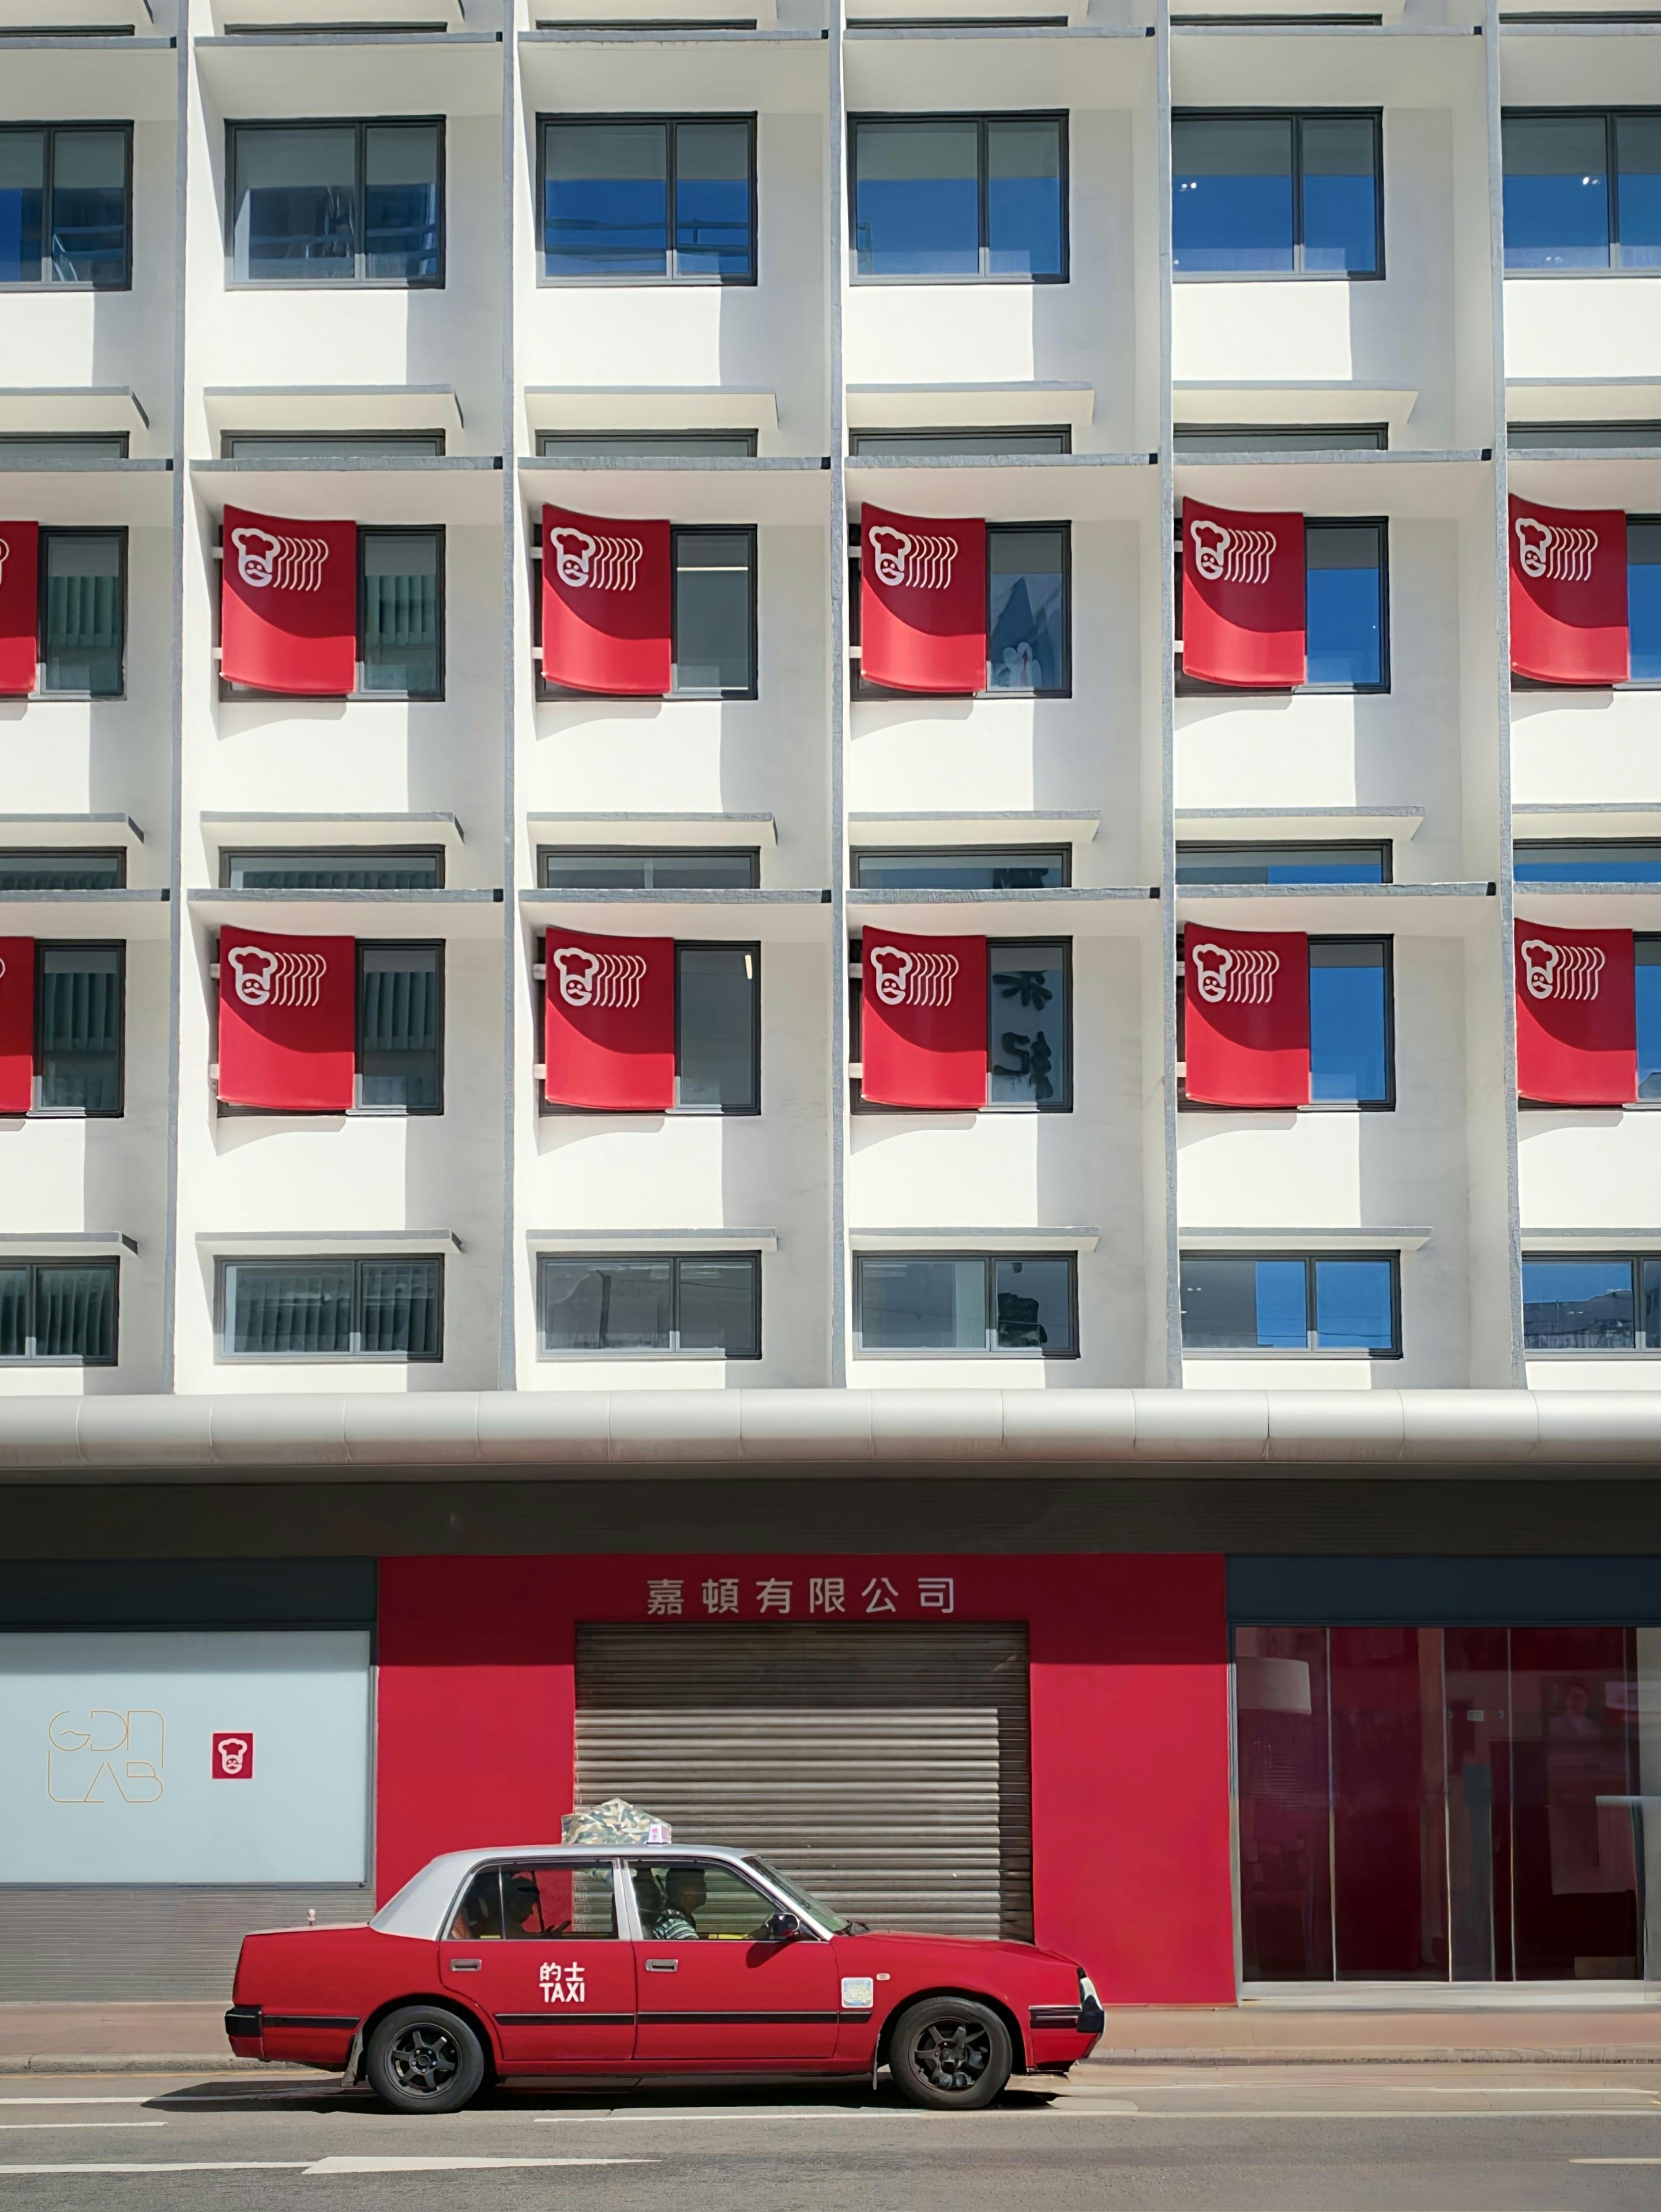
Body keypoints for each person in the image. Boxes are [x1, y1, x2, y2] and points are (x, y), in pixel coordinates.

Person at [648, 1865, 706, 1940]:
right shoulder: (681, 1930)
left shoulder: (674, 1920)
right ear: (685, 1890)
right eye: (700, 1885)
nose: (705, 1889)